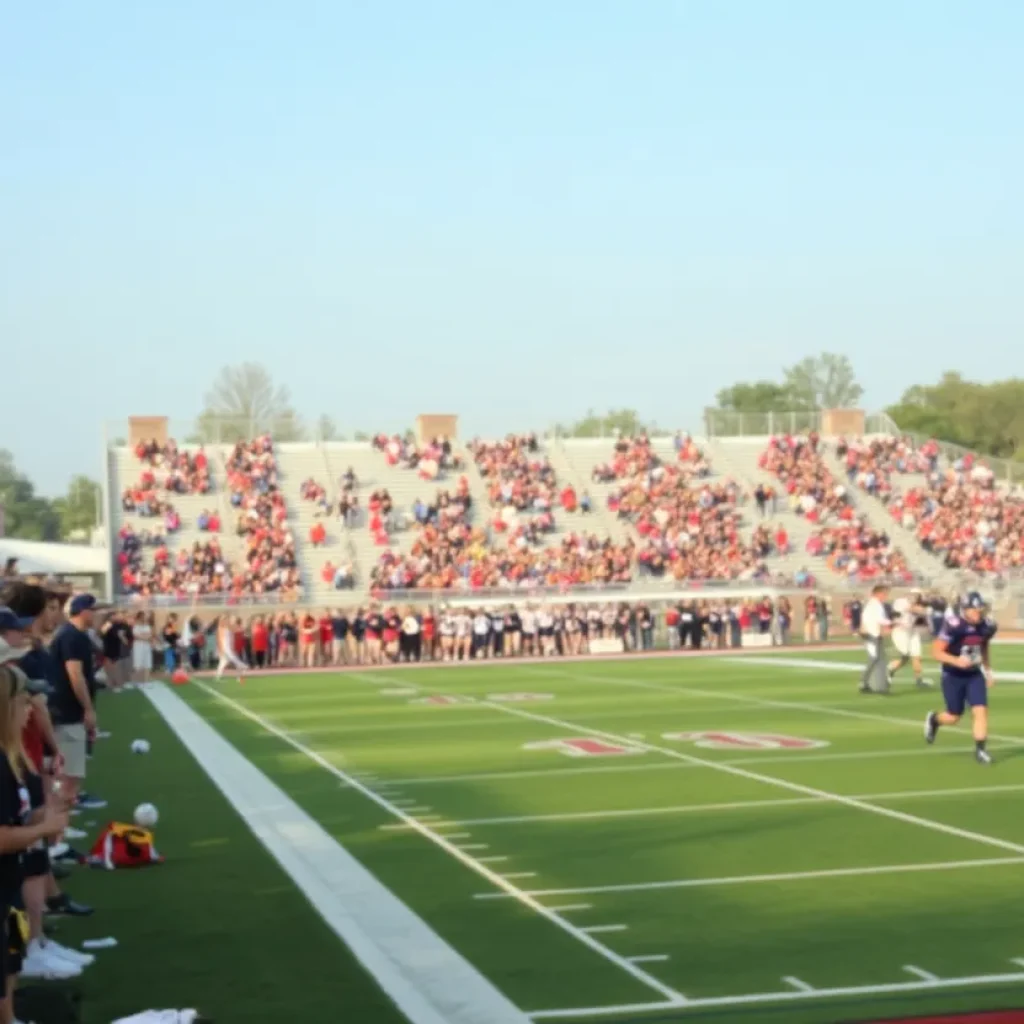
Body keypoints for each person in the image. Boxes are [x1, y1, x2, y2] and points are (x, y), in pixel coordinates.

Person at [0, 663, 71, 1021]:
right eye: (22, 702)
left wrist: (47, 817)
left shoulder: (9, 757)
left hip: (7, 884)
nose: (31, 709)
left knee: (9, 959)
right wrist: (42, 829)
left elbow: (15, 820)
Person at [925, 592, 997, 764]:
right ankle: (934, 719)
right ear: (964, 610)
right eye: (973, 609)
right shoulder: (954, 625)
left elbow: (983, 646)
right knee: (954, 716)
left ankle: (980, 751)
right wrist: (956, 661)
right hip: (953, 675)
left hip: (973, 674)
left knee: (980, 711)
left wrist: (987, 670)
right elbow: (935, 652)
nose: (977, 613)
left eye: (979, 609)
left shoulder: (987, 625)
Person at [47, 594, 101, 814]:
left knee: (69, 772)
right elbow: (75, 674)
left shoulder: (74, 634)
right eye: (93, 610)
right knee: (70, 774)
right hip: (68, 711)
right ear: (83, 611)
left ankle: (59, 825)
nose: (96, 614)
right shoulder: (72, 636)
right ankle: (59, 832)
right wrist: (88, 708)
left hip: (67, 709)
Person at [887, 589, 931, 689]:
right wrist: (924, 605)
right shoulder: (901, 602)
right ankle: (889, 670)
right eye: (914, 595)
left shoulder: (919, 604)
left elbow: (921, 617)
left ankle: (919, 680)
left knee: (917, 656)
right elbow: (912, 609)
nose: (915, 597)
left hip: (912, 631)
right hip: (900, 632)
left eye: (917, 595)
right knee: (905, 657)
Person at [859, 583, 891, 694]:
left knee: (880, 659)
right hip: (872, 635)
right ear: (879, 594)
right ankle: (864, 682)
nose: (886, 596)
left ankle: (881, 684)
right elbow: (880, 620)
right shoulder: (875, 605)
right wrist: (893, 622)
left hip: (874, 634)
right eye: (885, 594)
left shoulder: (872, 604)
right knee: (874, 658)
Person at [214, 616, 247, 682]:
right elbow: (219, 639)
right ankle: (242, 665)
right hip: (225, 646)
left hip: (228, 646)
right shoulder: (220, 628)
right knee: (233, 658)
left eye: (226, 620)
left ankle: (219, 676)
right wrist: (220, 649)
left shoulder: (229, 627)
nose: (225, 621)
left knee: (223, 662)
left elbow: (237, 630)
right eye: (223, 620)